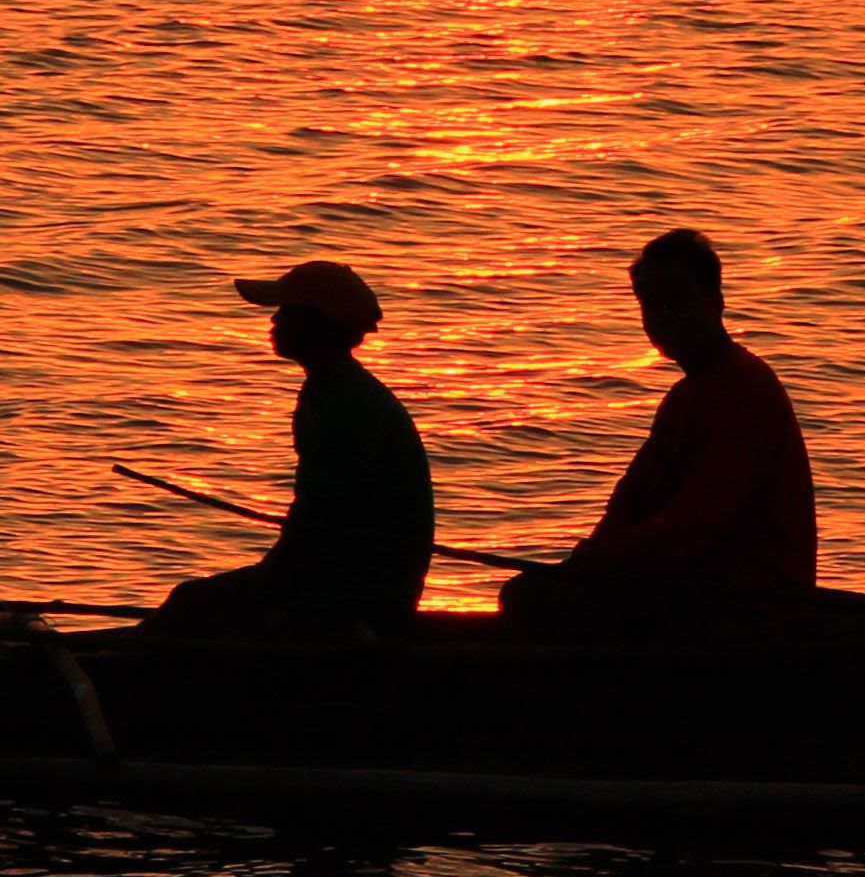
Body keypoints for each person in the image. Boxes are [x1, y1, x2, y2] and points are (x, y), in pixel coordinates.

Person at [498, 227, 819, 635]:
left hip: (751, 597)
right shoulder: (686, 396)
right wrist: (591, 556)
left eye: (679, 300)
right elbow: (635, 497)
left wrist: (610, 557)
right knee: (530, 594)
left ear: (716, 301)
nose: (665, 317)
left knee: (541, 606)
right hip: (697, 582)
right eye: (652, 305)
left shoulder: (744, 387)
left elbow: (704, 516)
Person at [149, 259, 434, 637]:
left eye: (286, 312)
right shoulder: (328, 389)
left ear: (319, 323)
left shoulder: (349, 403)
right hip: (339, 574)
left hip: (364, 591)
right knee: (195, 602)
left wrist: (264, 585)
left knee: (197, 607)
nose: (274, 321)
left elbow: (319, 525)